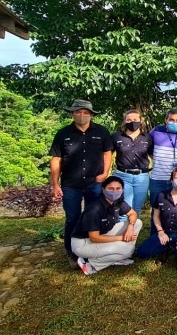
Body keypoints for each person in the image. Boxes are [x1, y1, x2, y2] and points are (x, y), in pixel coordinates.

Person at [49, 99, 113, 267]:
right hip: (71, 184)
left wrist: (105, 174)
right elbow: (56, 159)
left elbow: (108, 154)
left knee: (93, 217)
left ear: (91, 115)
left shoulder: (102, 131)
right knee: (72, 218)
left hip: (95, 183)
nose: (82, 115)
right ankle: (71, 251)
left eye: (86, 112)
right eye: (78, 112)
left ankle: (90, 248)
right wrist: (55, 184)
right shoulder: (63, 133)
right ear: (72, 114)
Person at [71, 176, 142, 276]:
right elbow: (94, 238)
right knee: (128, 250)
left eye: (118, 189)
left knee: (137, 222)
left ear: (122, 189)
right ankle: (90, 263)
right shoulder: (94, 209)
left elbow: (133, 214)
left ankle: (116, 255)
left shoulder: (118, 202)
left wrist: (130, 227)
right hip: (84, 243)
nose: (114, 192)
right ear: (103, 189)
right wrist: (121, 238)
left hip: (103, 233)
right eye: (110, 189)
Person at [137, 167, 177, 273]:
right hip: (164, 234)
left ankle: (174, 248)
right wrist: (160, 232)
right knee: (141, 253)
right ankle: (167, 248)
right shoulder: (161, 195)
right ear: (171, 180)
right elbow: (155, 216)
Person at [149, 108, 177, 209]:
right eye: (171, 120)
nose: (175, 123)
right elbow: (148, 149)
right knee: (156, 209)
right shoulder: (156, 131)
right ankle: (155, 225)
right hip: (158, 178)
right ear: (166, 120)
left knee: (176, 210)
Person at [111, 109, 152, 218]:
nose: (132, 122)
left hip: (142, 177)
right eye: (129, 120)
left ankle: (133, 233)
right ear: (124, 121)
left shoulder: (147, 138)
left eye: (135, 119)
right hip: (123, 176)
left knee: (137, 209)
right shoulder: (116, 137)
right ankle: (121, 234)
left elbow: (153, 156)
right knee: (124, 209)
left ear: (141, 121)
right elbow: (107, 155)